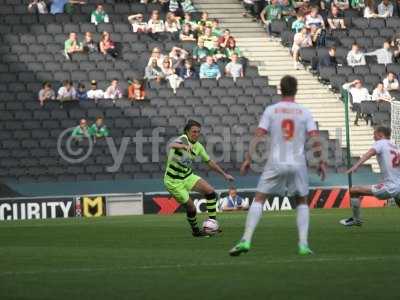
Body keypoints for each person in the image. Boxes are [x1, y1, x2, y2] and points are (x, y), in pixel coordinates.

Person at [229, 75, 327, 256]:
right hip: (298, 163)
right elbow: (315, 138)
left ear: (280, 89)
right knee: (301, 201)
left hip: (275, 162)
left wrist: (248, 159)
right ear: (296, 90)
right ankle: (303, 244)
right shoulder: (304, 112)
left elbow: (258, 135)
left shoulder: (271, 110)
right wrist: (321, 161)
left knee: (259, 198)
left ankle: (246, 239)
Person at [163, 119, 234, 237]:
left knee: (210, 191)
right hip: (173, 181)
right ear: (187, 131)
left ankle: (212, 225)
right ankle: (196, 231)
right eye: (193, 131)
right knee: (191, 207)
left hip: (187, 176)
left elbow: (209, 162)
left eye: (198, 132)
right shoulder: (183, 139)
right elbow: (171, 145)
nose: (196, 134)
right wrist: (184, 146)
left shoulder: (199, 146)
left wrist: (224, 174)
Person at [340, 127, 400, 226]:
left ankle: (356, 219)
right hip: (398, 185)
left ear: (381, 135)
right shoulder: (395, 147)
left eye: (374, 134)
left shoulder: (380, 143)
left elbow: (369, 154)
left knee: (354, 190)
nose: (373, 137)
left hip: (390, 186)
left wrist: (355, 166)